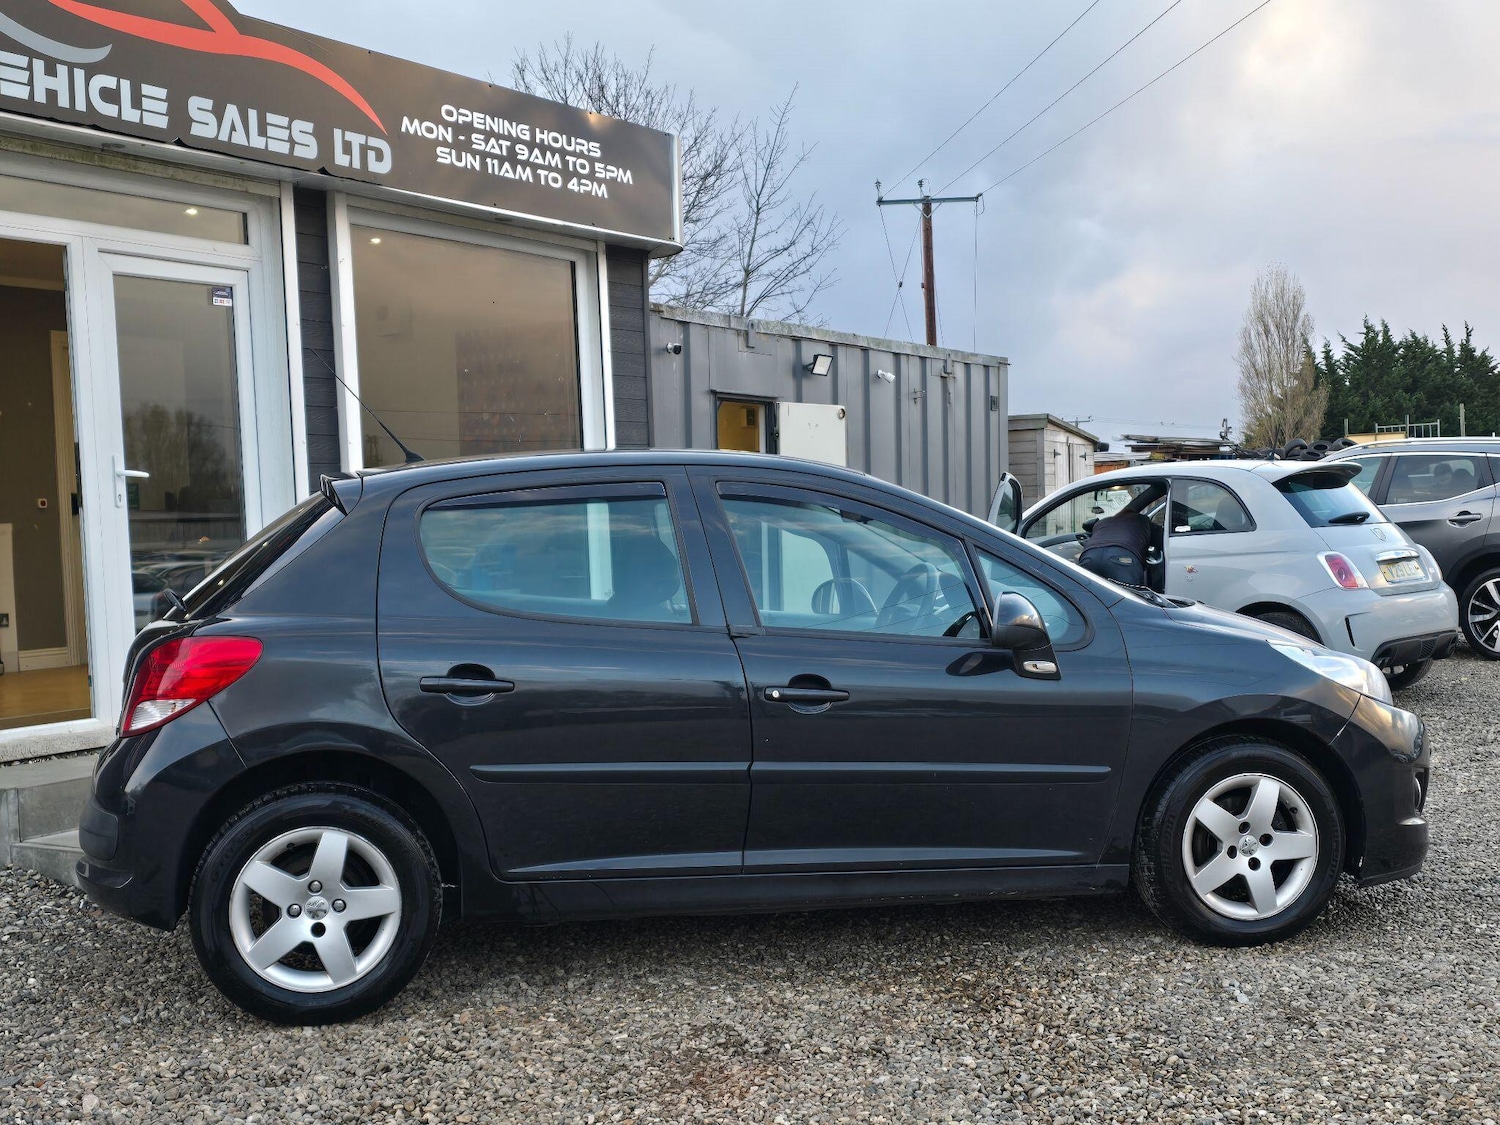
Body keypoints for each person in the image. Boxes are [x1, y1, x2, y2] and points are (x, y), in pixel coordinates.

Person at [1078, 509, 1152, 588]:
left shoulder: (1103, 521)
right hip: (1122, 556)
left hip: (1090, 555)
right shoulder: (1142, 521)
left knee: (1085, 593)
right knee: (1130, 595)